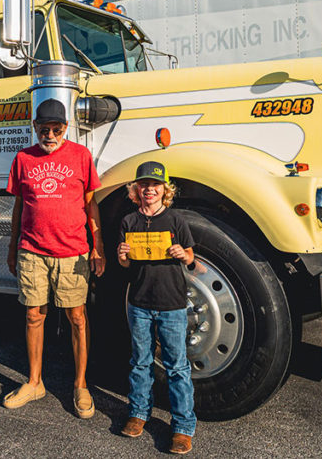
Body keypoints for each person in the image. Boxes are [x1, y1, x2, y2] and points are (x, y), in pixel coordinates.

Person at [4, 98, 106, 419]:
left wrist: (97, 246)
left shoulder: (81, 156)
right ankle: (35, 382)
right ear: (35, 127)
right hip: (32, 250)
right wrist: (12, 247)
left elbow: (91, 205)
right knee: (34, 315)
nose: (50, 135)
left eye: (56, 129)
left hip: (73, 251)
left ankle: (80, 384)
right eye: (44, 129)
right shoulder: (23, 158)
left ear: (66, 128)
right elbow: (19, 208)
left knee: (77, 317)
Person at [116, 161, 197, 455]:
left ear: (165, 191)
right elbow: (125, 265)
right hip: (139, 302)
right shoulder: (129, 222)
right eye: (144, 185)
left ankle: (183, 428)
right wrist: (122, 255)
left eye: (155, 185)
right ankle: (138, 414)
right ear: (136, 190)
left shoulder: (175, 221)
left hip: (172, 303)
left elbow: (191, 258)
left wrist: (182, 253)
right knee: (140, 362)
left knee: (177, 367)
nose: (149, 190)